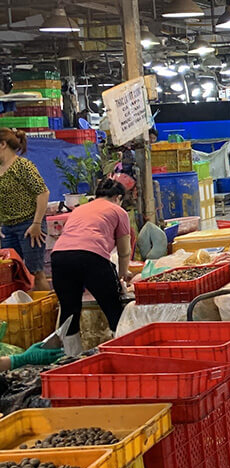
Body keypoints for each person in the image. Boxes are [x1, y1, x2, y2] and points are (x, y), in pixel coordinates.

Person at [50, 179, 132, 355]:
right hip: (91, 257)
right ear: (118, 197)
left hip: (60, 257)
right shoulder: (118, 211)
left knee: (69, 310)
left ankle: (71, 358)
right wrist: (123, 273)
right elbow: (125, 251)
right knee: (113, 307)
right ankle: (122, 353)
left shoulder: (79, 209)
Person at [0, 129, 49, 290]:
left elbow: (42, 192)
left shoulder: (22, 166)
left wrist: (36, 224)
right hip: (7, 227)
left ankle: (46, 312)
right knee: (11, 273)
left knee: (36, 271)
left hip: (29, 225)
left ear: (2, 145)